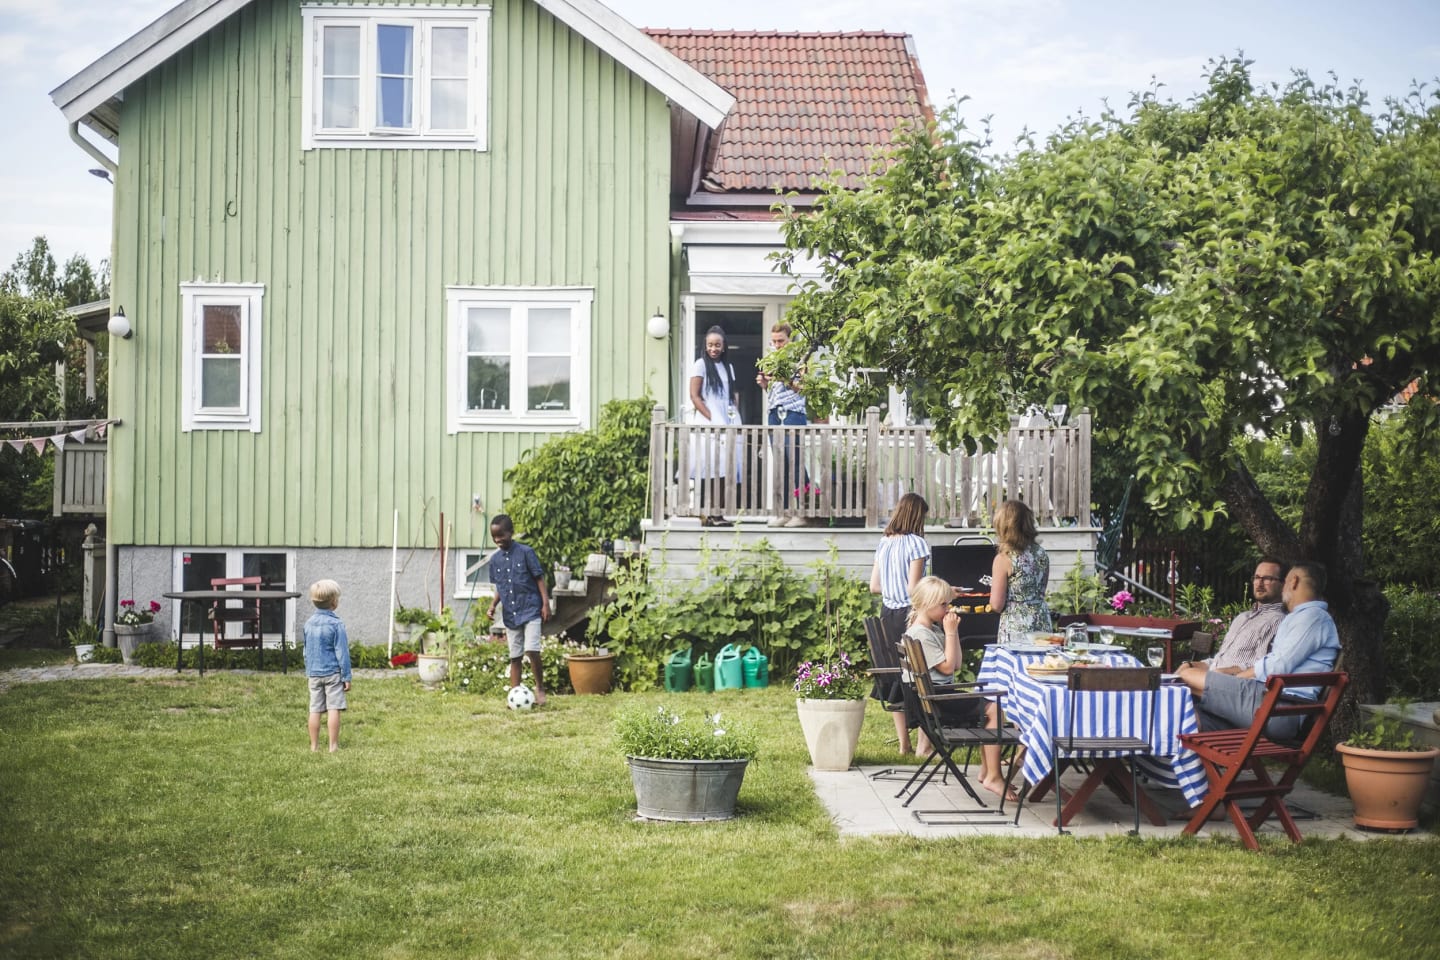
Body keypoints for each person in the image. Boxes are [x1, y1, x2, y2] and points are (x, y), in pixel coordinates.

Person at [1176, 561, 1340, 737]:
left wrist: (1236, 679)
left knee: (1185, 676)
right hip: (1269, 704)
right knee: (1191, 716)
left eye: (1284, 582)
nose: (1284, 587)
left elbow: (1278, 665)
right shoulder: (1300, 618)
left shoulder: (1313, 617)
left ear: (1293, 581)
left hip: (1280, 709)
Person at [904, 576, 1015, 799]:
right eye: (943, 604)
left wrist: (950, 634)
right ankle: (993, 775)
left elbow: (956, 665)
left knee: (990, 707)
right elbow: (947, 668)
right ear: (926, 604)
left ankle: (987, 772)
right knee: (994, 708)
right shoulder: (921, 634)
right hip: (936, 700)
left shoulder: (930, 630)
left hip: (935, 695)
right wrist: (952, 633)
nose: (948, 608)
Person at [868, 492, 932, 754]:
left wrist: (890, 592)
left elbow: (874, 586)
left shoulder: (884, 542)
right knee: (922, 675)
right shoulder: (917, 543)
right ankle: (923, 747)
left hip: (888, 614)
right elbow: (913, 588)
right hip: (910, 615)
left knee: (896, 676)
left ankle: (903, 745)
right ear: (918, 516)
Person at [486, 514, 552, 706]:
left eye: (501, 536)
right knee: (515, 656)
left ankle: (540, 688)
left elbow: (539, 578)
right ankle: (514, 694)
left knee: (532, 650)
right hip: (510, 614)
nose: (498, 540)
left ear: (511, 533)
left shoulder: (526, 552)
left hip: (531, 608)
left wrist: (545, 604)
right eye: (494, 537)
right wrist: (493, 605)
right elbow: (500, 587)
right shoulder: (495, 560)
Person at [1180, 558, 1289, 674]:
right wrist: (1190, 664)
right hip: (1215, 676)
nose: (1259, 583)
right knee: (1183, 671)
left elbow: (1261, 666)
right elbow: (1219, 661)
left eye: (1267, 578)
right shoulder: (1242, 618)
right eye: (1257, 577)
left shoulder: (1279, 621)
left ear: (1283, 584)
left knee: (1184, 677)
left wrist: (1221, 673)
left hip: (1237, 682)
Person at [755, 323, 809, 527]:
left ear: (789, 340)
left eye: (781, 341)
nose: (777, 345)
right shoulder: (771, 360)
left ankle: (802, 512)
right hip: (774, 414)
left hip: (794, 414)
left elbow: (803, 389)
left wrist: (787, 378)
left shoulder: (799, 360)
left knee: (795, 461)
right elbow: (775, 392)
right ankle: (785, 512)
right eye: (774, 341)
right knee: (781, 464)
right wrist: (765, 385)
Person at [688, 326, 741, 527]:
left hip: (726, 418)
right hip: (709, 419)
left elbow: (732, 394)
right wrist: (712, 418)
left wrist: (732, 414)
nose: (713, 348)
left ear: (724, 346)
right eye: (710, 345)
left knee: (725, 468)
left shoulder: (728, 367)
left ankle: (718, 513)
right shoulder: (700, 365)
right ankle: (709, 512)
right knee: (710, 467)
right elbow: (695, 396)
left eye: (717, 345)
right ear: (705, 345)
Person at [989, 500, 1052, 645]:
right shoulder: (1041, 553)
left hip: (1016, 626)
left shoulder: (1004, 558)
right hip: (1042, 620)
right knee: (1040, 666)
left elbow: (996, 605)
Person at [303, 578, 352, 753]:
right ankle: (333, 746)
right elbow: (342, 653)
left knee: (314, 709)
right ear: (334, 602)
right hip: (333, 673)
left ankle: (314, 746)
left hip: (314, 673)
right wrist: (346, 676)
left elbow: (306, 650)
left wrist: (308, 669)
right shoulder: (336, 624)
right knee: (333, 708)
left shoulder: (308, 624)